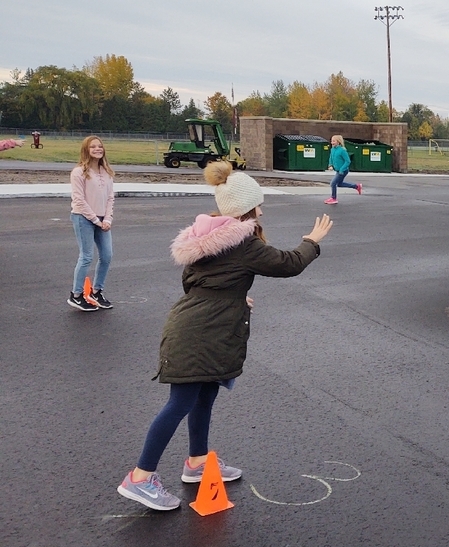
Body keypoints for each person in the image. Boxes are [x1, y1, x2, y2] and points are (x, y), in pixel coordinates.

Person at [116, 162, 333, 510]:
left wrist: (232, 294)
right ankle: (139, 478)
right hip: (200, 334)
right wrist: (312, 241)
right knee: (179, 404)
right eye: (257, 205)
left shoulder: (207, 237)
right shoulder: (243, 243)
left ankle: (198, 463)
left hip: (197, 324)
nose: (261, 210)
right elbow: (288, 263)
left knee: (204, 397)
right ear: (244, 208)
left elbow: (193, 282)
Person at [68, 136, 115, 311]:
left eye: (100, 146)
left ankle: (97, 291)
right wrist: (95, 220)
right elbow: (79, 200)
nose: (97, 149)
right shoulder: (79, 172)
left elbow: (110, 198)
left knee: (107, 256)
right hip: (83, 218)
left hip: (103, 220)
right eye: (93, 147)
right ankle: (76, 295)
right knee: (86, 256)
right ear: (86, 150)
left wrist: (107, 219)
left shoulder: (107, 172)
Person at [325, 135, 361, 205]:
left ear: (338, 142)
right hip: (338, 170)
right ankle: (357, 186)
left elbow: (348, 161)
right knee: (339, 184)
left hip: (343, 170)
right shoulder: (332, 150)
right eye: (331, 141)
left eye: (334, 141)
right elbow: (331, 158)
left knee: (333, 183)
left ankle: (333, 198)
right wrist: (330, 165)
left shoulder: (342, 150)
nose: (332, 142)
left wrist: (342, 169)